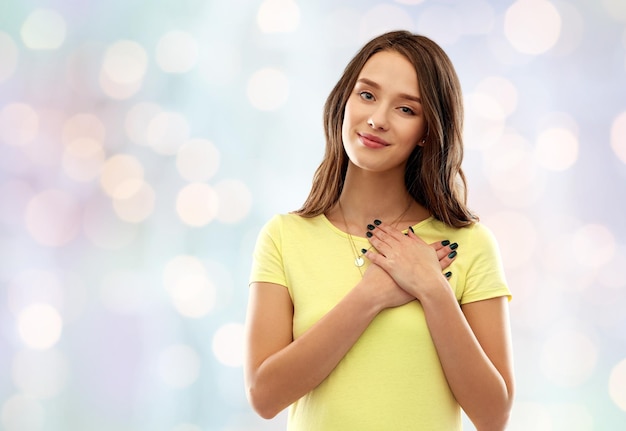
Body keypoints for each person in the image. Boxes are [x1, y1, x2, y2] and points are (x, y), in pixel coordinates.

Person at [244, 30, 514, 431]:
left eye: (406, 109)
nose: (377, 119)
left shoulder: (468, 245)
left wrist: (433, 290)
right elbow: (265, 397)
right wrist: (371, 296)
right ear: (344, 101)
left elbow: (493, 417)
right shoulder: (285, 237)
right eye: (367, 95)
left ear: (427, 131)